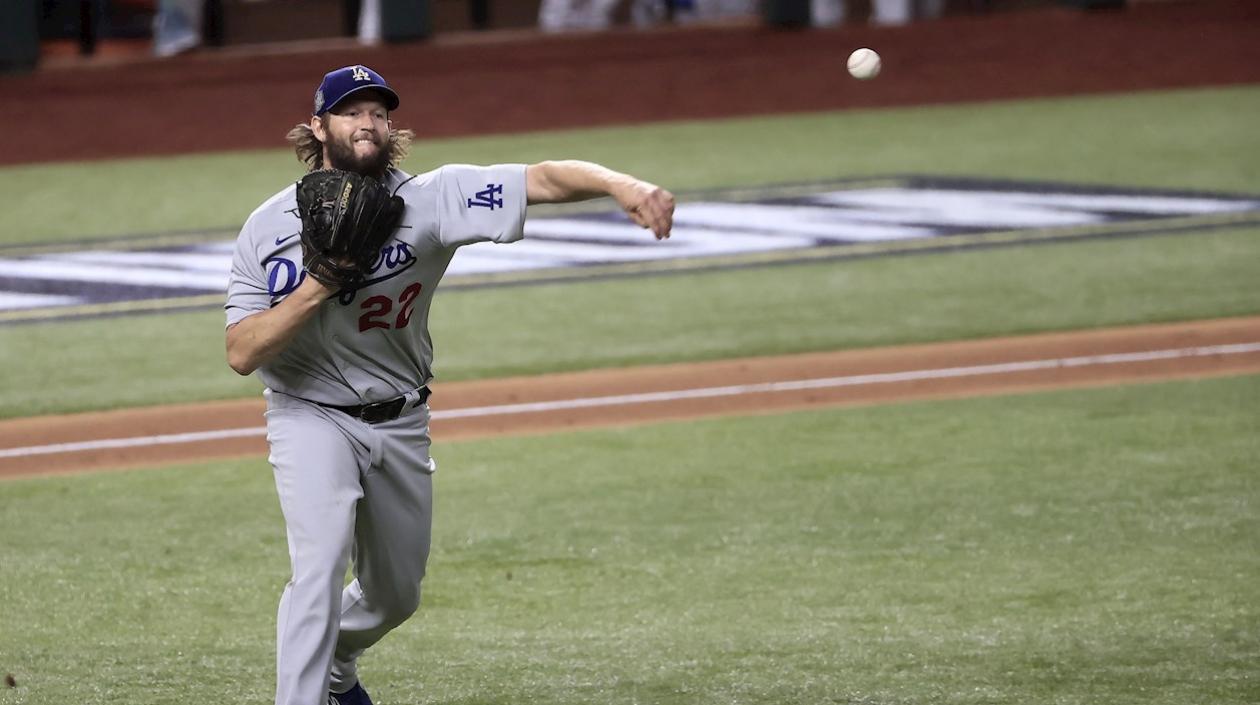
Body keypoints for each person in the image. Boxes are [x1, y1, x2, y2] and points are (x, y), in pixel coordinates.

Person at [223, 64, 674, 705]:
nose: (368, 122)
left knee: (395, 596)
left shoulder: (431, 199)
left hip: (402, 419)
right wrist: (322, 283)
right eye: (352, 111)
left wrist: (620, 184)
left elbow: (540, 178)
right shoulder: (267, 229)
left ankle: (336, 665)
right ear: (319, 126)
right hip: (309, 415)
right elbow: (241, 353)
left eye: (379, 112)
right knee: (318, 571)